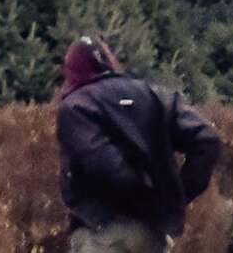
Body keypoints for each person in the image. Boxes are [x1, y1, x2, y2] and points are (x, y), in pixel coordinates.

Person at [56, 36, 222, 253]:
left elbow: (103, 166)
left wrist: (139, 201)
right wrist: (175, 196)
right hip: (153, 232)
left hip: (103, 230)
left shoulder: (77, 106)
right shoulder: (155, 96)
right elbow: (207, 140)